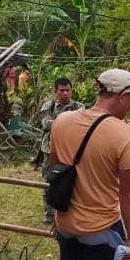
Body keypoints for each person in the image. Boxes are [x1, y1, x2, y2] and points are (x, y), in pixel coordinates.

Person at [49, 68, 130, 260]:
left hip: (65, 226)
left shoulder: (62, 121)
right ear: (122, 97)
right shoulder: (125, 135)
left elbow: (55, 171)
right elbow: (128, 192)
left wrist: (58, 215)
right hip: (101, 230)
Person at [37, 78, 85, 225]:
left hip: (73, 151)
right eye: (61, 90)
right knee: (49, 180)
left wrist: (57, 122)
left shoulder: (80, 107)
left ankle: (73, 209)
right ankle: (49, 212)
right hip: (50, 150)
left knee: (76, 180)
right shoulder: (48, 106)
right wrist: (69, 122)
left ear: (72, 91)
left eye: (68, 90)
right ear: (55, 91)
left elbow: (82, 127)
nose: (65, 93)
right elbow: (45, 124)